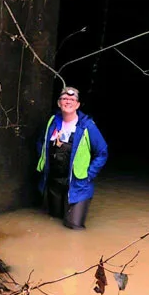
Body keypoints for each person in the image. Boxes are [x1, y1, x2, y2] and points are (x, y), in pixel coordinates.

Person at [36, 86, 108, 230]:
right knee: (53, 221)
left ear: (78, 104)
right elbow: (41, 142)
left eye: (72, 99)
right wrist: (44, 163)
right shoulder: (52, 122)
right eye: (64, 98)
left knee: (73, 226)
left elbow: (102, 152)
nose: (68, 102)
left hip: (78, 184)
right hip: (54, 182)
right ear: (58, 103)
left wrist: (89, 174)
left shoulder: (87, 126)